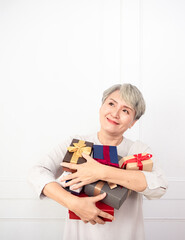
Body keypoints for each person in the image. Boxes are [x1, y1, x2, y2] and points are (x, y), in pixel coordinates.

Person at [28, 83, 168, 240]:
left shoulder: (139, 151)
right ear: (101, 107)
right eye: (111, 104)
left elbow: (160, 186)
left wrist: (101, 171)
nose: (115, 113)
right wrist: (72, 203)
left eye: (125, 110)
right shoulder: (77, 144)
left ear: (133, 122)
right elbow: (37, 172)